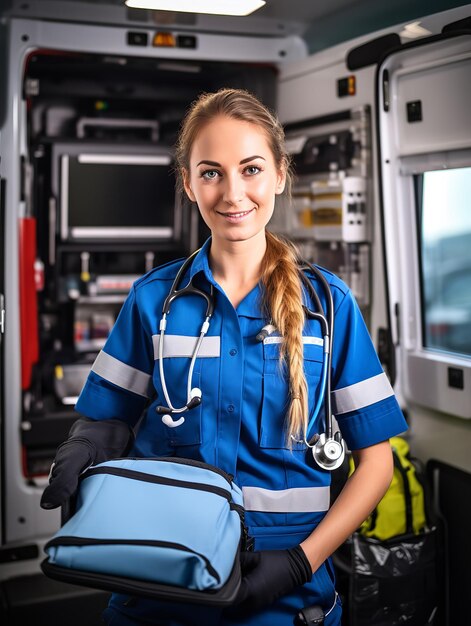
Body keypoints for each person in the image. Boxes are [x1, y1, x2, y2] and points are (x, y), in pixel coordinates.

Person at [41, 88, 408, 626]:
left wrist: (299, 564)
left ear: (280, 174)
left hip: (288, 591)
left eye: (251, 168)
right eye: (211, 172)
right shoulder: (152, 301)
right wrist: (89, 440)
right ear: (188, 183)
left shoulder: (330, 308)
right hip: (159, 579)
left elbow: (377, 463)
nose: (233, 192)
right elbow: (108, 419)